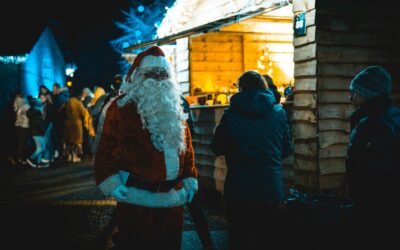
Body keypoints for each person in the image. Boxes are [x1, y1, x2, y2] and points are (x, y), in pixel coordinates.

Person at [94, 46, 198, 250]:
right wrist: (112, 182)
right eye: (152, 74)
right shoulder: (121, 108)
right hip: (136, 200)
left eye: (163, 74)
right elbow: (106, 149)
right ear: (138, 76)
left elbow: (186, 150)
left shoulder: (174, 108)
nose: (158, 79)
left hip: (172, 202)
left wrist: (189, 178)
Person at [210, 71, 292, 249]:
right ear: (264, 87)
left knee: (240, 239)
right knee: (268, 239)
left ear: (241, 89)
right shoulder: (279, 113)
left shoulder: (230, 115)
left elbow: (217, 147)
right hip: (270, 187)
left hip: (239, 188)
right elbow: (287, 149)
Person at [346, 65, 400, 241]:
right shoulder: (394, 117)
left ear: (366, 94)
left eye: (354, 92)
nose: (350, 97)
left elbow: (367, 168)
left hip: (374, 203)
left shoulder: (372, 124)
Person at [61, 91, 93, 162]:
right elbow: (84, 113)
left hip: (67, 123)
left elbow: (61, 112)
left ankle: (69, 157)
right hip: (76, 124)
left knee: (69, 141)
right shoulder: (78, 103)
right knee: (76, 141)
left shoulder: (66, 103)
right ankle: (75, 157)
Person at [26, 98, 48, 168]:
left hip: (35, 132)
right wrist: (43, 130)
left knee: (41, 147)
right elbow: (39, 123)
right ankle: (30, 158)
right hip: (37, 132)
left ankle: (39, 162)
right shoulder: (37, 113)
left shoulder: (32, 112)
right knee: (40, 148)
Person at [13, 94, 30, 165]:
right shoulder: (22, 103)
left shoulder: (16, 103)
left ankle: (20, 158)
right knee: (22, 142)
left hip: (19, 124)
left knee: (21, 142)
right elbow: (19, 111)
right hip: (23, 125)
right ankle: (21, 158)